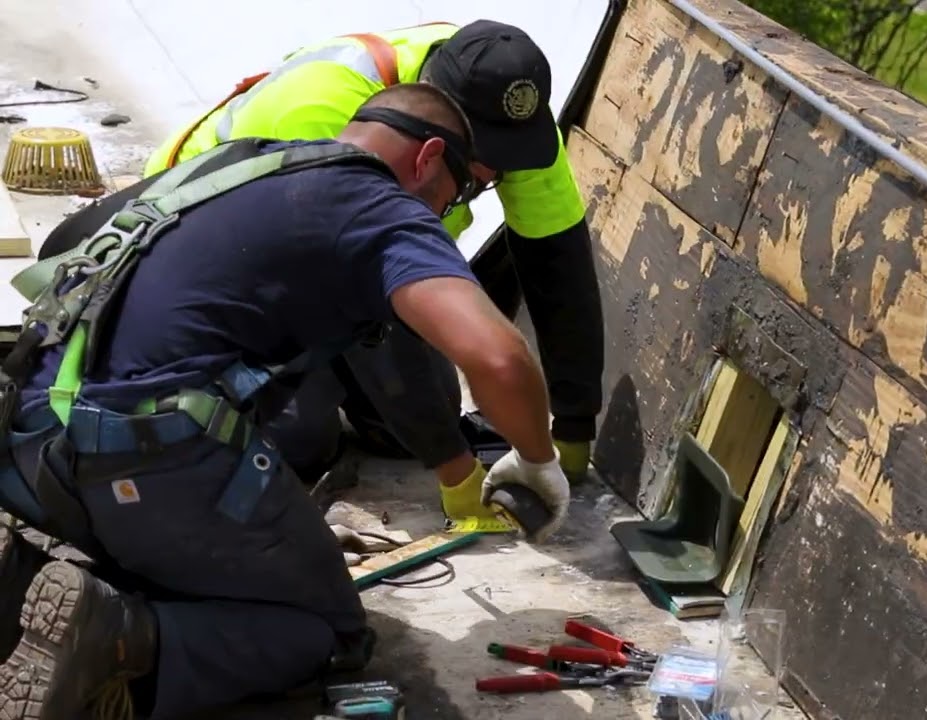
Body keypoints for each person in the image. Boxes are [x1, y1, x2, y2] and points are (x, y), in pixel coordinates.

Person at [0, 82, 571, 719]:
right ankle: (125, 638)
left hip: (31, 435)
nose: (449, 210)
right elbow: (497, 356)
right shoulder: (385, 210)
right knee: (324, 635)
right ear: (429, 157)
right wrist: (536, 458)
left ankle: (20, 582)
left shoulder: (246, 160)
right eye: (462, 190)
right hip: (136, 460)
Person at [143, 18, 603, 522]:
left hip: (327, 260)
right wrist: (457, 473)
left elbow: (558, 268)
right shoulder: (325, 114)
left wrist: (573, 430)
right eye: (477, 165)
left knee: (412, 424)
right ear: (434, 131)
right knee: (297, 439)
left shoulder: (511, 116)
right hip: (203, 257)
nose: (493, 174)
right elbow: (363, 279)